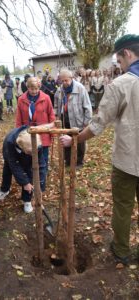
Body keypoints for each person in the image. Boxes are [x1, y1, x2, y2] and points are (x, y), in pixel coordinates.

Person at [60, 34, 139, 265]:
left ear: (127, 54)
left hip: (127, 161)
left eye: (119, 60)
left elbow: (97, 124)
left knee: (123, 208)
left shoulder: (121, 84)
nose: (118, 65)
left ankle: (121, 250)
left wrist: (76, 139)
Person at [0, 126, 46, 213]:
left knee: (29, 171)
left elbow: (41, 165)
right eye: (30, 152)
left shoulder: (37, 143)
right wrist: (24, 182)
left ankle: (27, 200)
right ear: (21, 147)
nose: (32, 155)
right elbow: (14, 165)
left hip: (26, 150)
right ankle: (4, 189)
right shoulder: (10, 143)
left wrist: (40, 187)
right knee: (8, 169)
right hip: (10, 153)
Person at [16, 77, 55, 172]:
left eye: (37, 88)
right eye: (32, 89)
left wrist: (52, 134)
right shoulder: (21, 99)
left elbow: (52, 116)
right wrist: (18, 134)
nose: (34, 91)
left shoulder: (46, 98)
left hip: (43, 133)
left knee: (43, 158)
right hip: (27, 134)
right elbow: (18, 119)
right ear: (27, 87)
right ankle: (31, 175)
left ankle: (43, 177)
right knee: (29, 157)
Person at [55, 69, 92, 168]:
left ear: (71, 78)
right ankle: (68, 161)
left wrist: (86, 122)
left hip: (78, 120)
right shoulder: (60, 90)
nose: (64, 83)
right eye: (62, 81)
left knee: (79, 141)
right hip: (64, 119)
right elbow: (56, 104)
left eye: (66, 80)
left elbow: (87, 106)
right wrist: (57, 116)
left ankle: (79, 162)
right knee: (65, 140)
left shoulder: (80, 88)